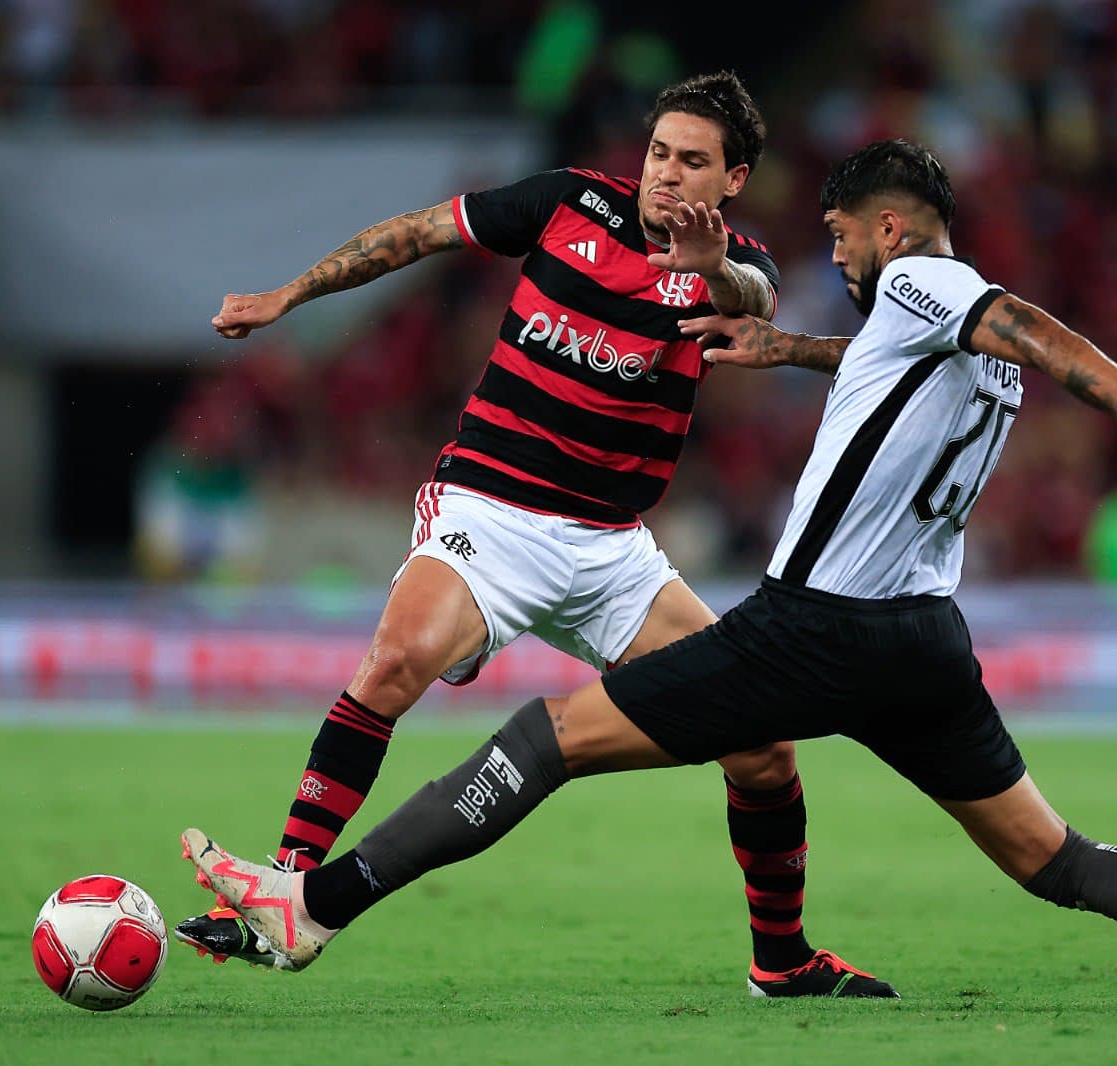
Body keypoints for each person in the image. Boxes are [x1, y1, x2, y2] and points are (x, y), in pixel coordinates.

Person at [182, 138, 1117, 1016]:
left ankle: (314, 906)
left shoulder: (932, 280)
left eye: (839, 235)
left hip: (811, 631)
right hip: (923, 643)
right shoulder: (933, 338)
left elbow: (1031, 326)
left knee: (544, 737)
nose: (832, 252)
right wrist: (797, 347)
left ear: (887, 228)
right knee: (1054, 859)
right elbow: (912, 359)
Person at [174, 70, 898, 998]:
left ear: (735, 179)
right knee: (399, 660)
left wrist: (712, 265)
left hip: (612, 551)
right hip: (491, 510)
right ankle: (284, 887)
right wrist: (292, 296)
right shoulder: (567, 204)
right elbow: (414, 234)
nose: (668, 175)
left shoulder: (730, 262)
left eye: (694, 162)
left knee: (763, 748)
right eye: (659, 153)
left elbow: (753, 299)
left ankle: (783, 962)